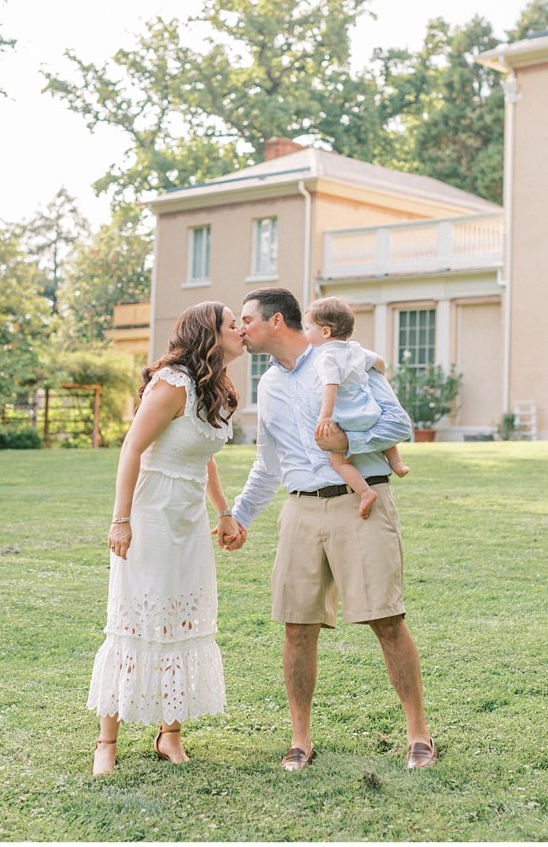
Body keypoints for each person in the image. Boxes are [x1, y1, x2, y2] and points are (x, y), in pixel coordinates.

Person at [230, 287, 437, 772]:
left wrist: (351, 438)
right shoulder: (268, 385)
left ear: (276, 321)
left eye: (247, 319)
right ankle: (300, 741)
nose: (241, 329)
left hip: (360, 504)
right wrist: (240, 515)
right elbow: (269, 462)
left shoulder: (346, 361)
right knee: (297, 627)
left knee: (387, 619)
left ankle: (419, 736)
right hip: (300, 510)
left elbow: (399, 423)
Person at [88, 302, 246, 776]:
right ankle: (106, 742)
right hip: (152, 512)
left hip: (189, 517)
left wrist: (224, 512)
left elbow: (205, 456)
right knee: (136, 621)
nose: (241, 329)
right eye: (232, 323)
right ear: (209, 335)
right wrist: (121, 520)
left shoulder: (214, 386)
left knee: (182, 619)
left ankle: (169, 735)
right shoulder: (172, 383)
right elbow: (132, 446)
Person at [304, 295, 410, 520]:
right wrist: (379, 373)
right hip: (370, 412)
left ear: (325, 332)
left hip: (347, 419)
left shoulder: (326, 357)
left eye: (308, 328)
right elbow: (380, 363)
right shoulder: (355, 349)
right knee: (385, 442)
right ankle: (398, 464)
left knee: (338, 460)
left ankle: (365, 492)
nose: (305, 333)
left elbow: (330, 386)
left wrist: (325, 417)